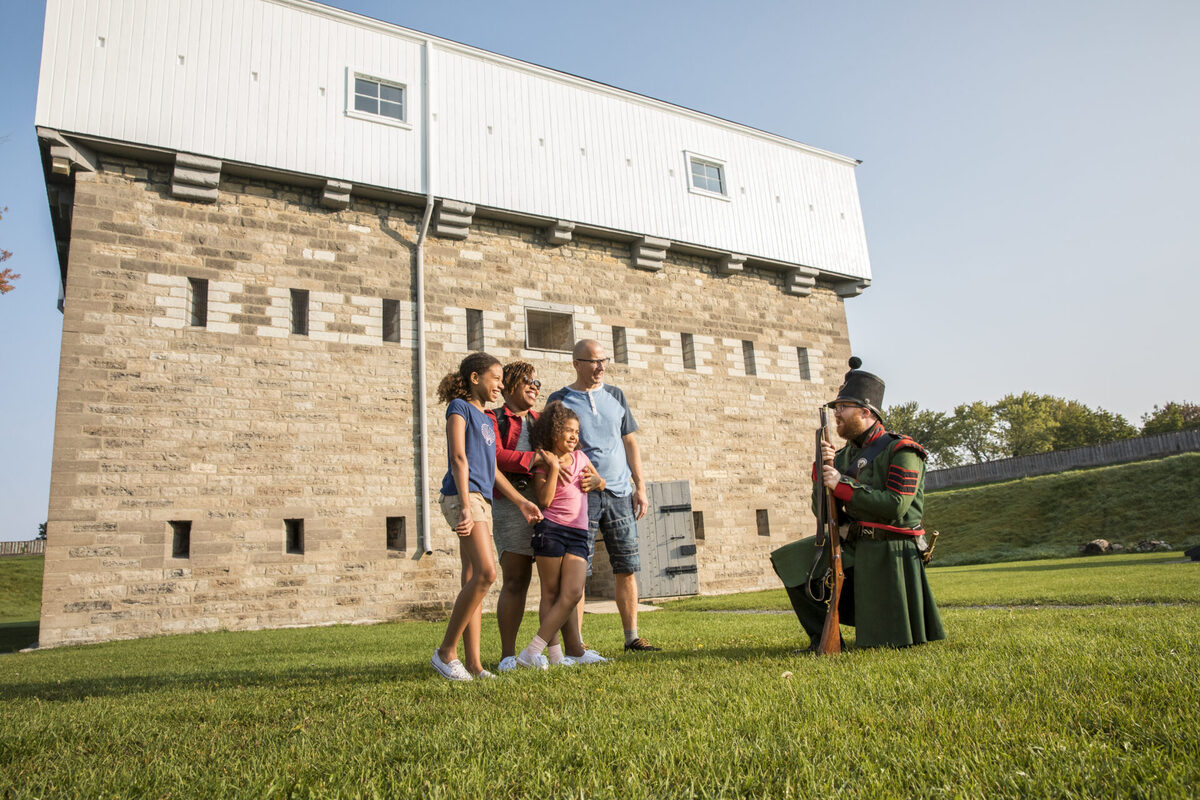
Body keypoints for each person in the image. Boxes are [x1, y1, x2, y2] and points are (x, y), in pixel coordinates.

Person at [770, 358, 946, 651]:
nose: (836, 413)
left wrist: (840, 483)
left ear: (866, 412)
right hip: (853, 543)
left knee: (886, 644)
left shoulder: (901, 450)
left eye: (843, 407)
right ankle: (821, 639)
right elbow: (824, 515)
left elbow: (895, 506)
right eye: (836, 408)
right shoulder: (841, 457)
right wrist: (821, 475)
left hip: (890, 546)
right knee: (791, 560)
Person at [432, 352, 542, 681]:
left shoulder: (488, 419)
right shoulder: (459, 407)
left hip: (482, 499)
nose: (501, 384)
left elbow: (492, 470)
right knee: (487, 573)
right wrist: (465, 506)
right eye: (496, 378)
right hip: (463, 497)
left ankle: (475, 665)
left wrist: (521, 501)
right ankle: (445, 653)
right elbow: (458, 458)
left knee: (473, 580)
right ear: (476, 378)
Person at [488, 362, 607, 669]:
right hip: (515, 507)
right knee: (516, 580)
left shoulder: (545, 422)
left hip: (555, 513)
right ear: (510, 384)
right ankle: (508, 656)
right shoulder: (496, 419)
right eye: (527, 380)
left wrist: (598, 479)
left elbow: (574, 453)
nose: (534, 386)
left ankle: (572, 650)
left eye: (537, 383)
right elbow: (494, 456)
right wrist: (536, 458)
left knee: (562, 589)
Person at [547, 339, 660, 652]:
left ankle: (631, 637)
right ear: (576, 363)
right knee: (578, 570)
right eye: (593, 361)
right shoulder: (559, 400)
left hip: (621, 493)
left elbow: (630, 443)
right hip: (582, 497)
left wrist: (641, 486)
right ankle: (578, 645)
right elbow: (552, 447)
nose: (600, 367)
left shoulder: (615, 395)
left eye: (603, 361)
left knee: (626, 565)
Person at [514, 401, 607, 668]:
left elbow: (600, 482)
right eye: (567, 430)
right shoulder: (544, 462)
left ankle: (532, 651)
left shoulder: (581, 458)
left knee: (573, 592)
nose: (573, 436)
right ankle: (554, 656)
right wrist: (554, 468)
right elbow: (544, 500)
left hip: (578, 534)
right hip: (551, 530)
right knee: (551, 594)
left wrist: (598, 482)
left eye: (576, 431)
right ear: (552, 431)